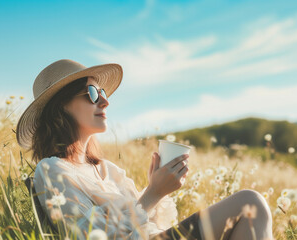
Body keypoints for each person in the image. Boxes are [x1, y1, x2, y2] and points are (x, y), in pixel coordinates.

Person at [16, 59, 274, 240]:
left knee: (250, 213)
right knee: (249, 203)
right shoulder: (51, 169)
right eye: (92, 93)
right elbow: (87, 235)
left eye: (102, 91)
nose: (105, 100)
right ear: (61, 107)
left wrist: (157, 191)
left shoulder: (108, 170)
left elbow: (146, 222)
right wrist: (152, 193)